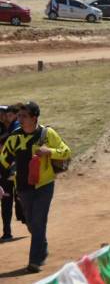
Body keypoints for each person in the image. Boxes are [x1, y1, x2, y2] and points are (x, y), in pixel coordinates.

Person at [0, 102, 71, 273]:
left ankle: (35, 261)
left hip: (44, 185)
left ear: (34, 118)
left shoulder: (47, 134)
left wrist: (50, 152)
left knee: (38, 222)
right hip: (23, 187)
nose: (20, 119)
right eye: (19, 116)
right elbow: (3, 162)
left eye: (24, 116)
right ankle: (42, 246)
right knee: (31, 223)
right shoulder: (14, 138)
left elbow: (66, 152)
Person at [0, 104, 21, 241]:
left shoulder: (18, 126)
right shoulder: (1, 128)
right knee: (6, 199)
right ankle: (7, 232)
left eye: (4, 113)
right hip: (3, 167)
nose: (2, 116)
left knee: (21, 197)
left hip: (19, 167)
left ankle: (28, 221)